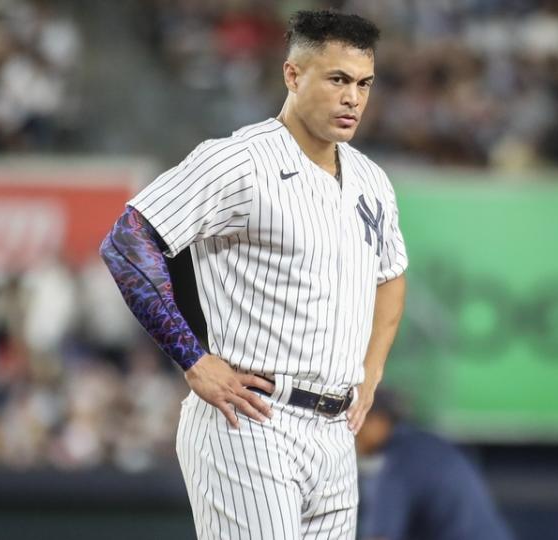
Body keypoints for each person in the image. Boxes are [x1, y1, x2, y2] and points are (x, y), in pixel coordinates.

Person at [99, 9, 407, 539]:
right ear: (292, 75)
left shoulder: (371, 179)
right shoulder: (238, 161)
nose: (353, 98)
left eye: (363, 84)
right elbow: (127, 242)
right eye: (337, 79)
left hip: (335, 433)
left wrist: (372, 371)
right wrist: (193, 359)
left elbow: (392, 274)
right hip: (251, 420)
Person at [357, 390, 513, 540]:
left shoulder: (399, 463)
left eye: (358, 420)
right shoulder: (428, 443)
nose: (354, 433)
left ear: (378, 421)